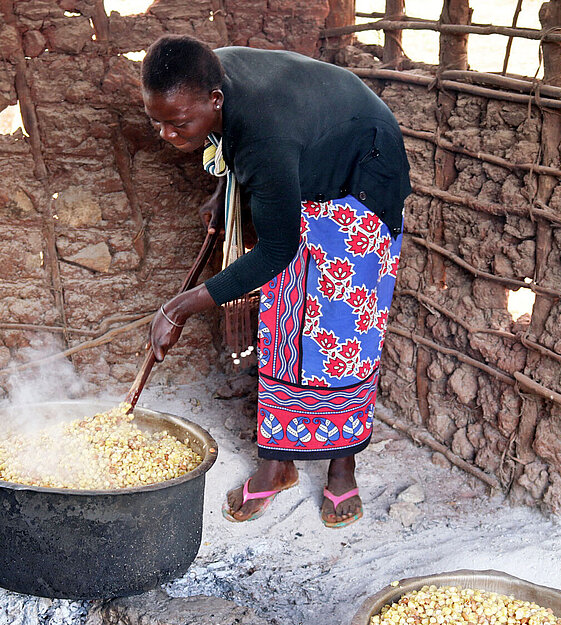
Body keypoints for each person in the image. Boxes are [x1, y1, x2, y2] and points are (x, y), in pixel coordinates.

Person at [141, 35, 410, 528]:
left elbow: (275, 248)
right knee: (283, 318)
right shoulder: (205, 75)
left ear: (214, 100)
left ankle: (342, 463)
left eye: (178, 124)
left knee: (343, 327)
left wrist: (177, 308)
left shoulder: (264, 134)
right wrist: (225, 192)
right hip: (301, 157)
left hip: (361, 168)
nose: (165, 134)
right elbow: (235, 141)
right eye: (156, 120)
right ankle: (278, 461)